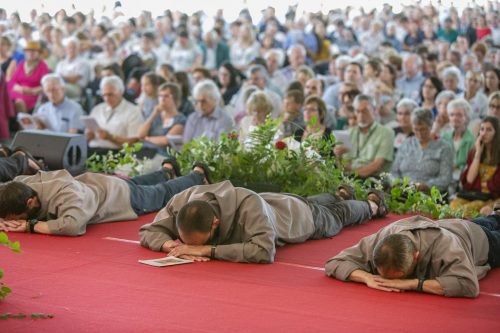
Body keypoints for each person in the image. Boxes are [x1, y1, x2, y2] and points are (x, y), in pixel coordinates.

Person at [139, 180, 387, 263]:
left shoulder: (247, 206)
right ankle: (338, 194)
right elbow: (150, 230)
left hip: (300, 218)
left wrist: (206, 249)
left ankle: (373, 206)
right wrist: (168, 246)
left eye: (195, 243)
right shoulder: (183, 200)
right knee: (315, 202)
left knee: (337, 216)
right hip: (275, 204)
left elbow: (264, 250)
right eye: (186, 242)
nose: (188, 248)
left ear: (215, 222)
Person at [0, 161, 210, 236]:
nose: (14, 222)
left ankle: (198, 175)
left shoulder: (67, 195)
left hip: (121, 199)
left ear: (30, 203)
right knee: (137, 183)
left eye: (18, 217)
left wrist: (30, 225)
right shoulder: (21, 183)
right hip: (102, 184)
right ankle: (167, 169)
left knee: (161, 193)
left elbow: (72, 226)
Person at [324, 213, 500, 298]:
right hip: (455, 224)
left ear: (416, 256)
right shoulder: (382, 239)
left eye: (396, 278)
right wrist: (367, 277)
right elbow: (334, 262)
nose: (391, 283)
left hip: (483, 242)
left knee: (491, 227)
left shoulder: (445, 245)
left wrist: (413, 283)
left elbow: (468, 285)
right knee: (492, 219)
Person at [391, 108, 453, 193]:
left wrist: (426, 186)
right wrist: (399, 184)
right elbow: (394, 171)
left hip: (429, 194)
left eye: (423, 129)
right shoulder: (406, 144)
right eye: (416, 129)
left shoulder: (444, 147)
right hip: (403, 191)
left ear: (431, 126)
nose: (419, 133)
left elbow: (445, 178)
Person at [334, 94, 394, 179]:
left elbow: (376, 166)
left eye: (365, 111)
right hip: (351, 179)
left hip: (374, 180)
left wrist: (350, 176)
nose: (361, 115)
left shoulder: (387, 133)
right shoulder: (349, 133)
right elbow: (345, 165)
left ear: (375, 110)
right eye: (358, 111)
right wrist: (338, 157)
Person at [450, 117, 500, 215]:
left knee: (469, 209)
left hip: (493, 196)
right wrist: (477, 154)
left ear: (497, 133)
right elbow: (469, 181)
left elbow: (497, 185)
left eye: (489, 130)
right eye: (482, 129)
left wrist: (483, 185)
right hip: (476, 194)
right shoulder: (474, 152)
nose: (484, 133)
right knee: (454, 205)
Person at [86, 75, 144, 151]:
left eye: (110, 94)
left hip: (116, 154)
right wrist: (88, 136)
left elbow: (133, 142)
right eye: (104, 95)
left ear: (121, 92)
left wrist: (110, 137)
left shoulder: (133, 111)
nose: (106, 99)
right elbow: (87, 136)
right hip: (92, 150)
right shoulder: (97, 109)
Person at [183, 79, 234, 144]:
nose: (200, 105)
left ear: (214, 100)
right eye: (197, 101)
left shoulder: (225, 119)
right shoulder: (193, 118)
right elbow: (186, 144)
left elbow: (223, 147)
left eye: (203, 101)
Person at [8, 40, 50, 113]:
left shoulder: (43, 66)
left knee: (19, 103)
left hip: (33, 95)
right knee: (4, 99)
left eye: (34, 51)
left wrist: (31, 91)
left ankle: (24, 123)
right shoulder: (22, 63)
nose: (31, 53)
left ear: (39, 53)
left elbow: (45, 85)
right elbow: (12, 81)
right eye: (28, 51)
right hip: (18, 91)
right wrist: (20, 88)